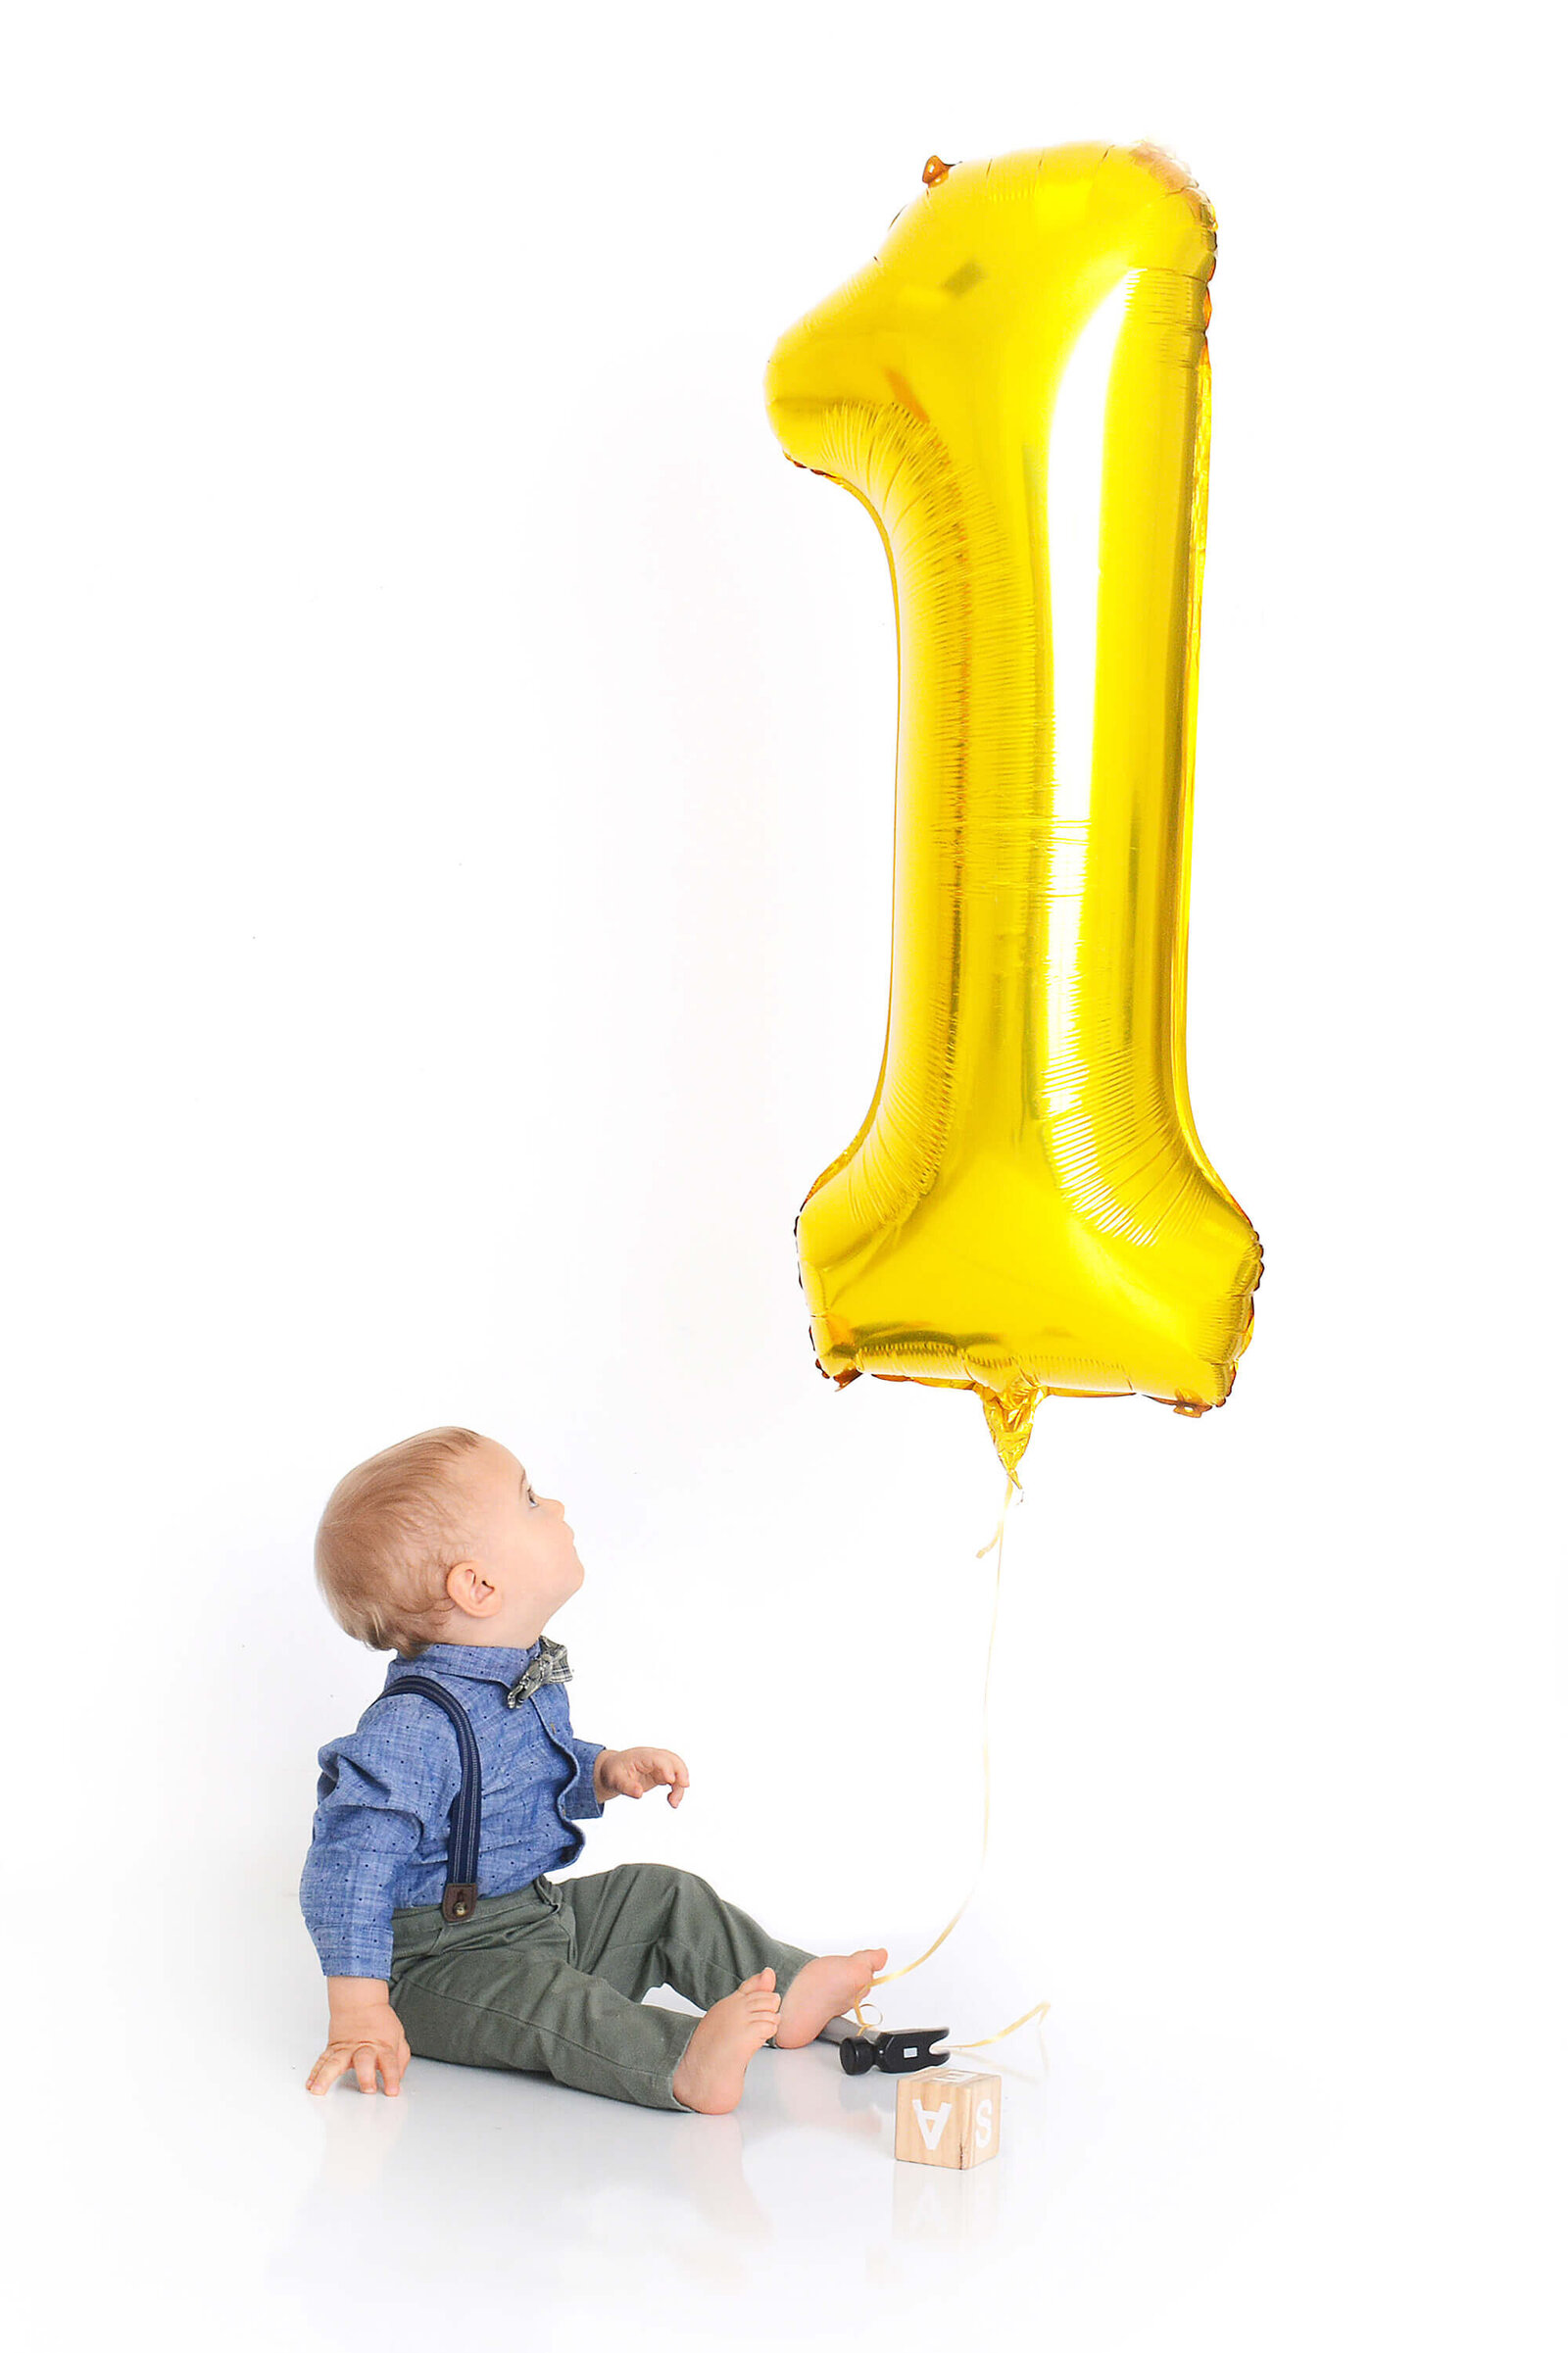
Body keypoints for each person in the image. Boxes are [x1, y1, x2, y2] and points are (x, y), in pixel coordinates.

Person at [300, 1426, 885, 2112]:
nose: (557, 1504)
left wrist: (601, 1770)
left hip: (536, 1919)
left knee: (661, 1891)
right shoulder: (411, 1727)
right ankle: (681, 2063)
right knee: (556, 2004)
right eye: (530, 1500)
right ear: (479, 1584)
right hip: (444, 1967)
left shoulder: (520, 1678)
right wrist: (362, 2009)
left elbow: (508, 1781)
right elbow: (348, 1865)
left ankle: (791, 1991)